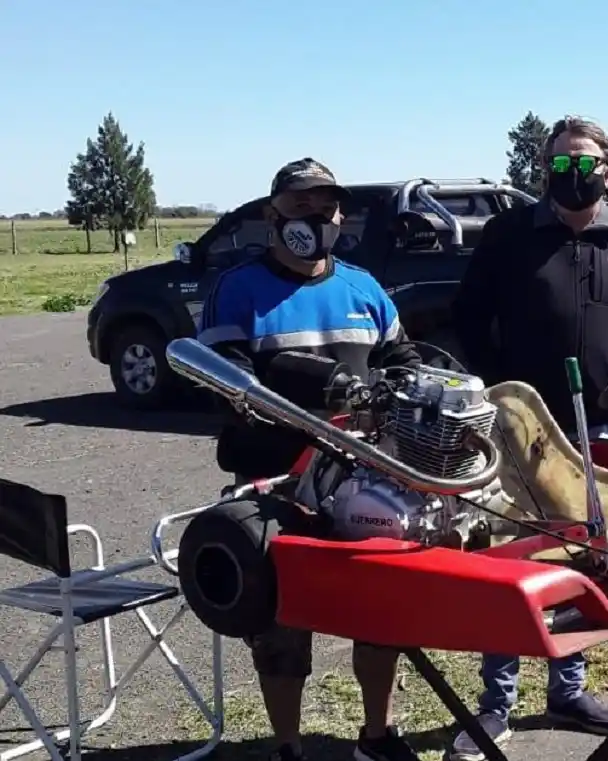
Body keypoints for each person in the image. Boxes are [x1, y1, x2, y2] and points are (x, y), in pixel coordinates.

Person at [449, 116, 608, 760]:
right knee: (514, 559)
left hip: (605, 427)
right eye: (559, 164)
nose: (571, 175)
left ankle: (567, 690)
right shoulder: (510, 234)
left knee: (585, 559)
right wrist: (498, 386)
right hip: (524, 432)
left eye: (585, 164)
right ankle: (496, 703)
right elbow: (469, 315)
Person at [197, 158, 423, 761]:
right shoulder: (237, 289)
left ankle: (377, 736)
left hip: (364, 481)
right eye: (301, 207)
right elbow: (226, 380)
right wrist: (310, 396)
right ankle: (287, 747)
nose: (316, 218)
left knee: (379, 614)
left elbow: (401, 359)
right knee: (280, 625)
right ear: (272, 216)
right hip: (276, 483)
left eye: (327, 208)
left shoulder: (364, 288)